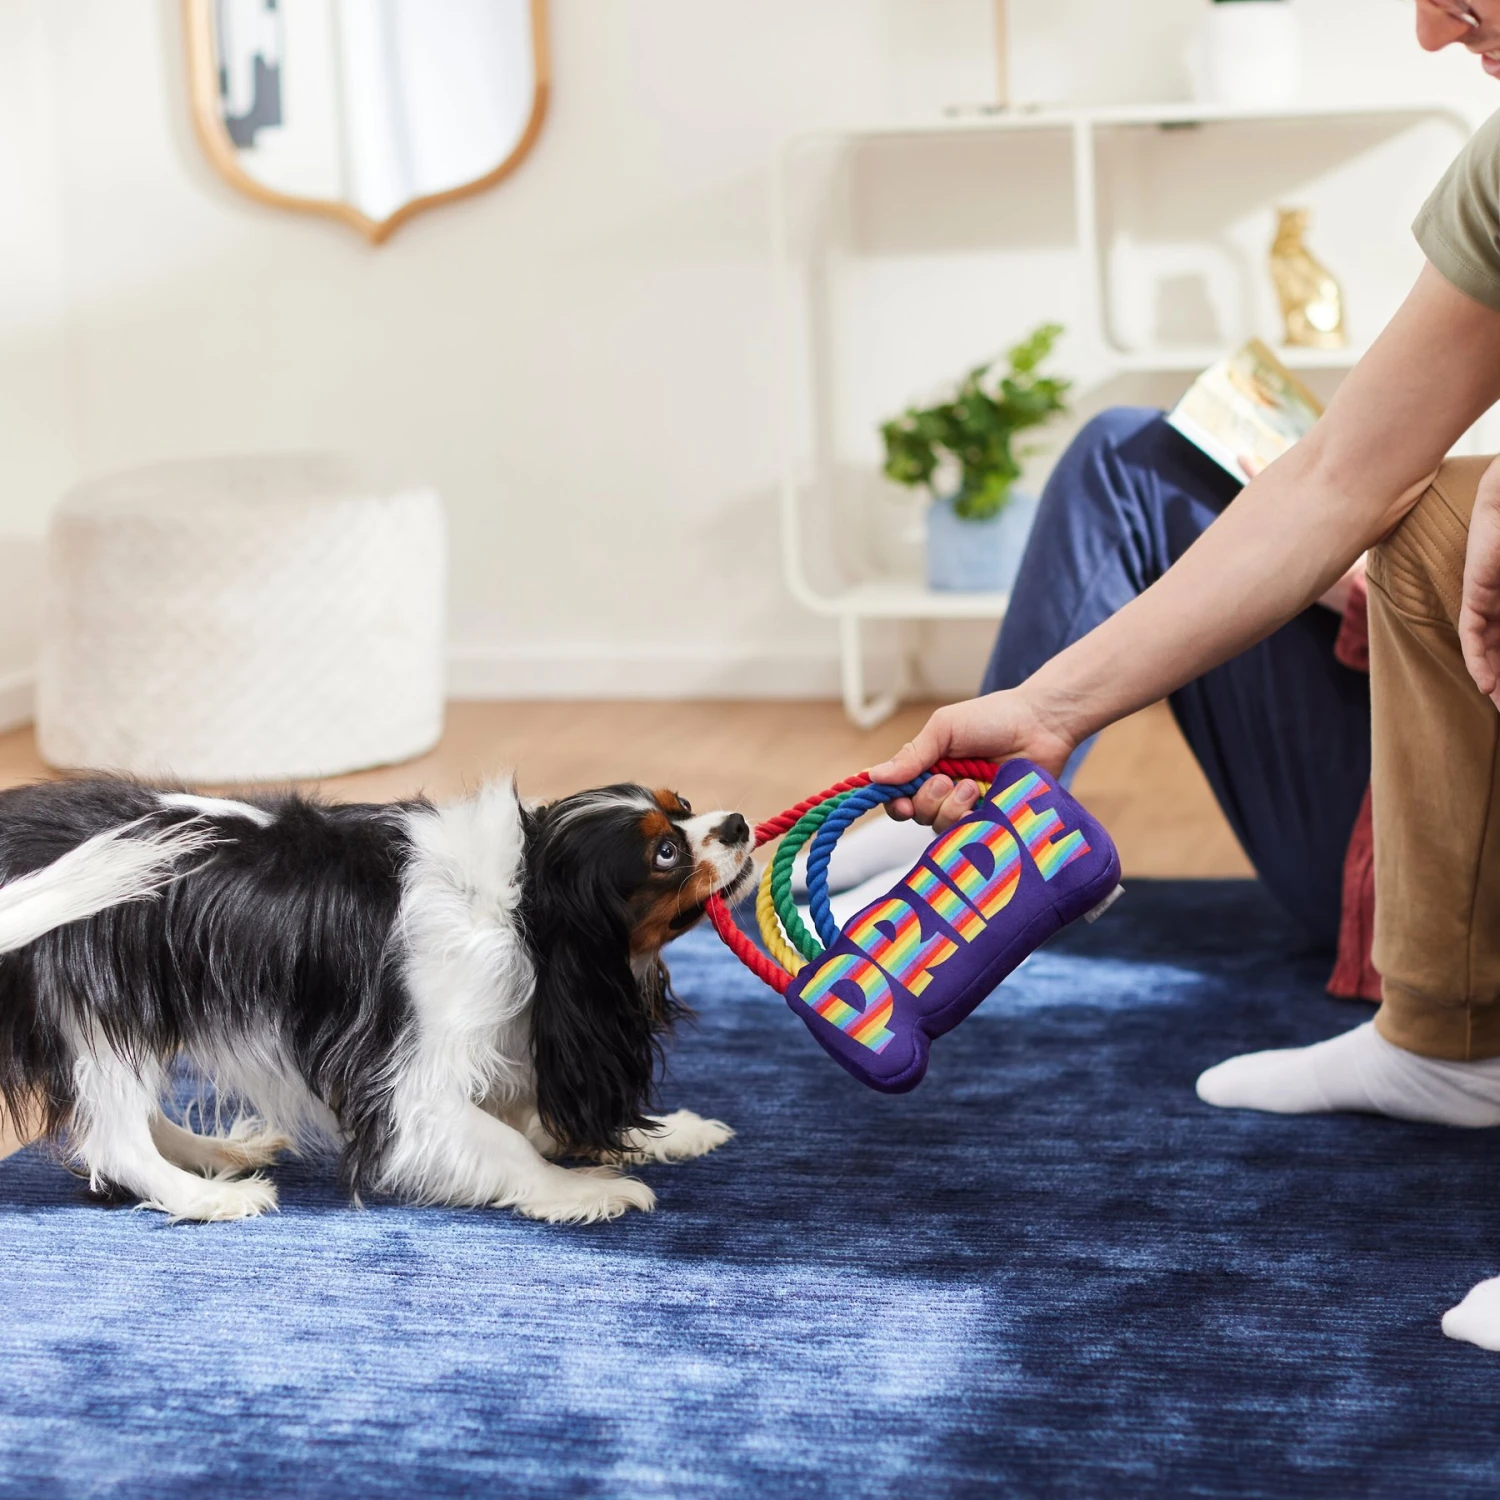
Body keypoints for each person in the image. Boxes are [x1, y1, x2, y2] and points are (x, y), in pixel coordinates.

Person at [871, 0, 1500, 1133]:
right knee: (1132, 455)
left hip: (1462, 868)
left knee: (1437, 518)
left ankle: (1453, 1025)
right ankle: (975, 837)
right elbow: (1341, 477)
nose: (1431, 32)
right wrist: (1044, 709)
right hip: (1402, 778)